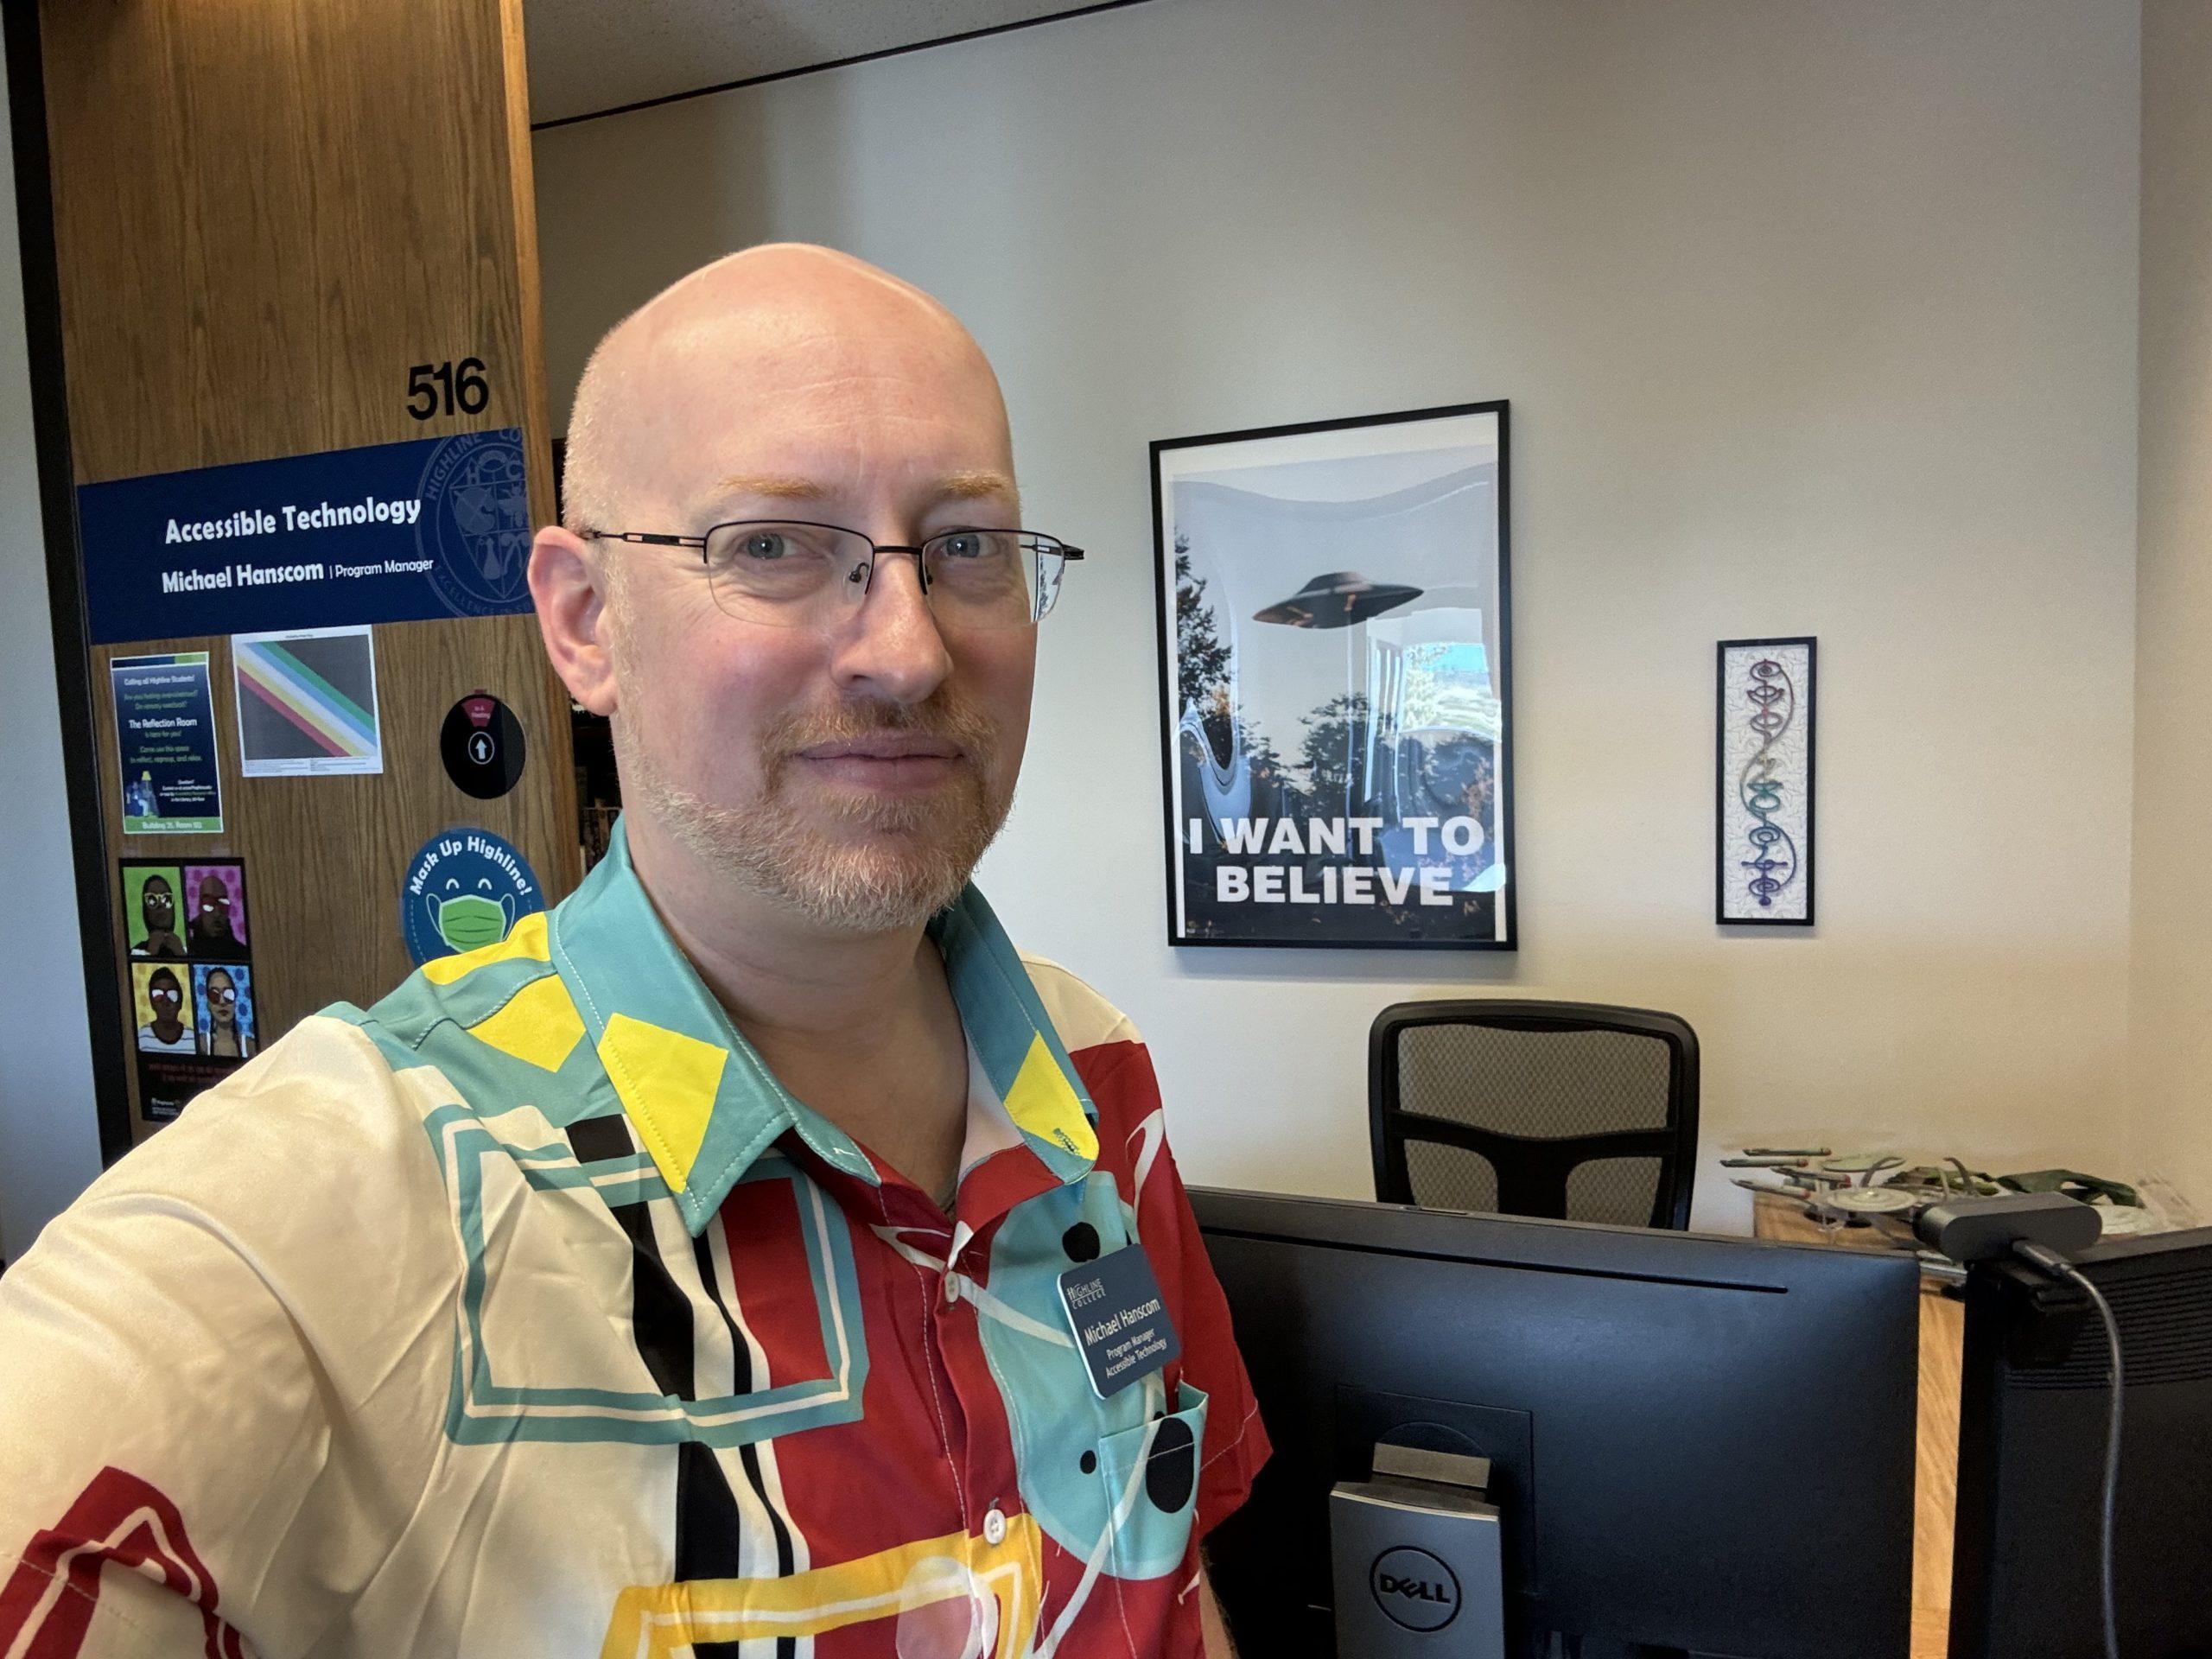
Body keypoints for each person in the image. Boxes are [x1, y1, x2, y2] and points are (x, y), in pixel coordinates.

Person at [0, 245, 1268, 1658]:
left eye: (964, 544)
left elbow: (1170, 1579)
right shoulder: (345, 1204)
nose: (908, 651)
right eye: (775, 546)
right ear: (584, 621)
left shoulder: (1089, 1071)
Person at [184, 870, 246, 958]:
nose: (217, 914)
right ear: (199, 907)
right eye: (209, 904)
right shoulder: (185, 949)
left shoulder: (242, 953)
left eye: (222, 905)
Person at [131, 966, 194, 1053]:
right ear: (152, 1003)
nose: (165, 1001)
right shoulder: (140, 1038)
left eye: (172, 995)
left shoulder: (193, 1039)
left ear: (180, 1003)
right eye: (158, 995)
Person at [197, 967, 253, 1059]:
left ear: (235, 1002)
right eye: (215, 995)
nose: (222, 1002)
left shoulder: (249, 1046)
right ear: (208, 1004)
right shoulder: (202, 1044)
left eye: (228, 994)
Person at [129, 872, 187, 958]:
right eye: (152, 900)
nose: (160, 905)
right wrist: (151, 953)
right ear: (146, 910)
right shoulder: (136, 953)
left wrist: (181, 954)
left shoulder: (185, 950)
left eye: (166, 899)